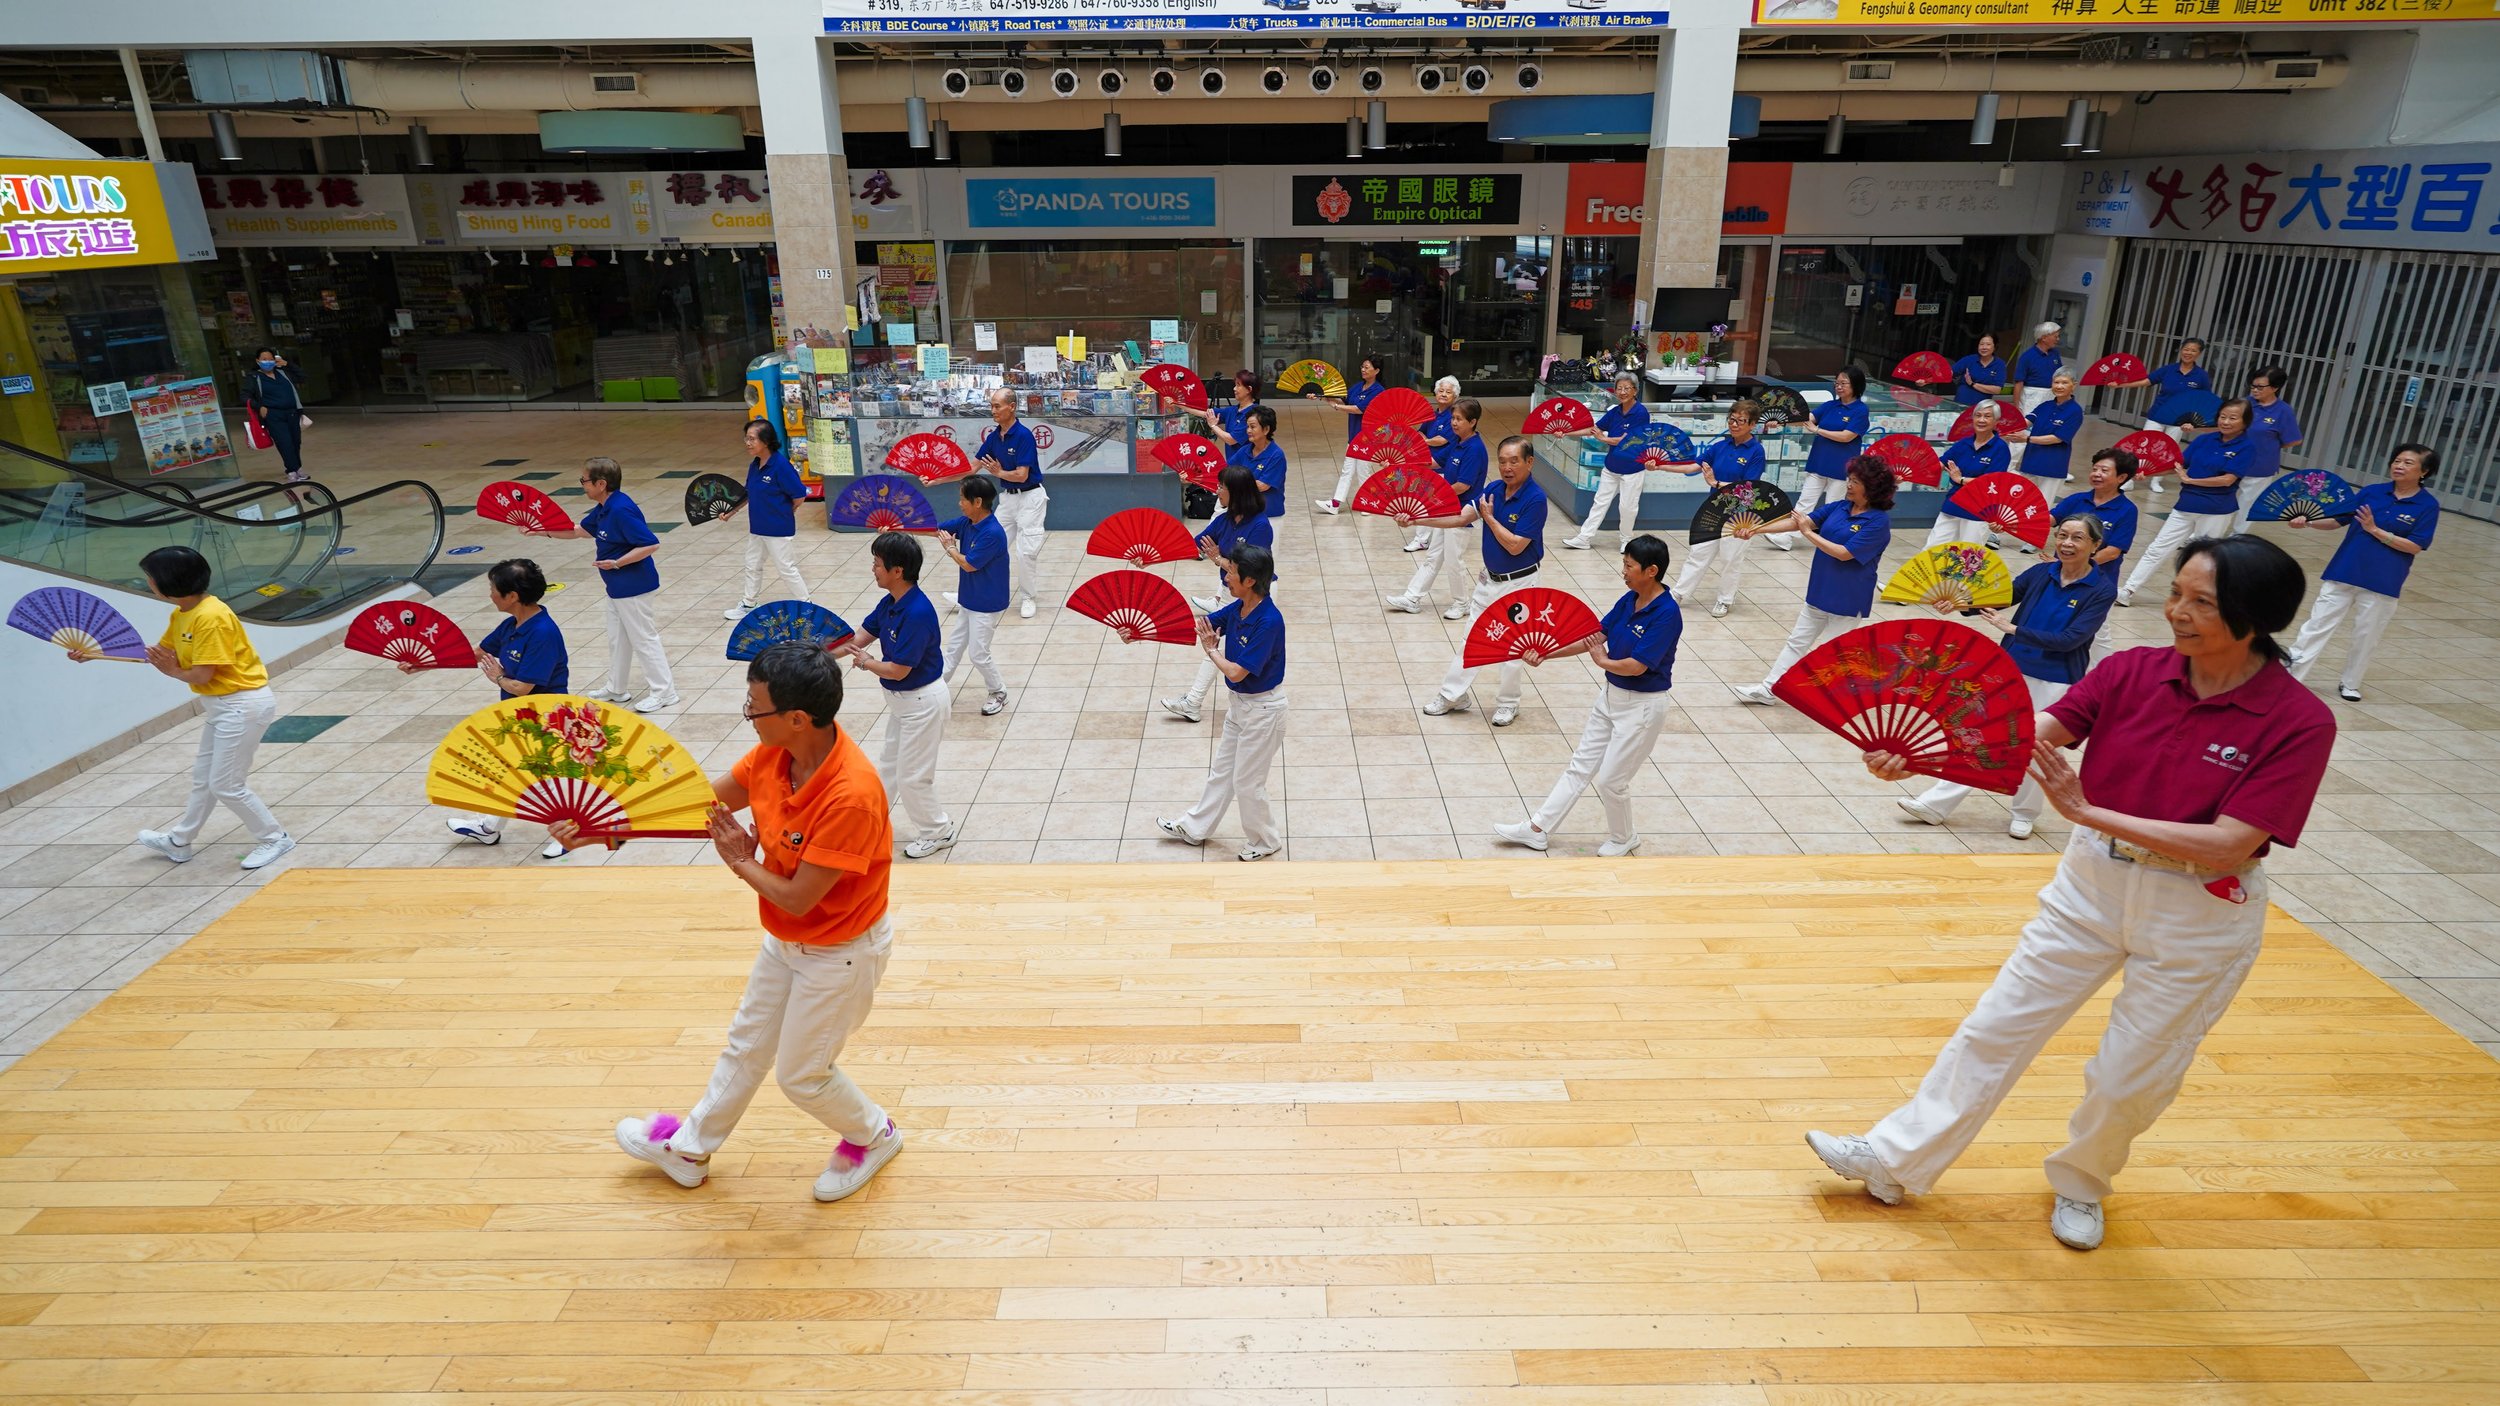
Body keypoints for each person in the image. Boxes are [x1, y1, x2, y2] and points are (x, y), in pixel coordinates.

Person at [1808, 535, 2334, 1252]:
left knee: (2130, 1074)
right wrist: (1925, 754)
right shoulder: (2131, 673)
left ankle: (2082, 1184)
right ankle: (1894, 1159)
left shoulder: (2299, 720)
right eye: (2177, 593)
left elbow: (2229, 843)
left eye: (2201, 603)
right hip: (2091, 885)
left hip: (2200, 910)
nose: (2176, 611)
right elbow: (2022, 736)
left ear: (2257, 617)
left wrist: (2087, 812)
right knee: (1998, 1025)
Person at [605, 641, 904, 1204]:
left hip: (840, 954)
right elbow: (700, 809)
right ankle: (690, 1149)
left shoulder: (851, 797)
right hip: (787, 943)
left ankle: (875, 1134)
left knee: (803, 1075)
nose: (747, 715)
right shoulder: (771, 757)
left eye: (753, 706)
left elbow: (798, 898)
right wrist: (610, 828)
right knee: (745, 1047)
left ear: (796, 718)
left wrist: (741, 860)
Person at [1895, 513, 2117, 839]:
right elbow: (2006, 595)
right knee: (1979, 735)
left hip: (2056, 679)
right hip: (2010, 668)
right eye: (2062, 535)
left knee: (2037, 747)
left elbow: (2073, 639)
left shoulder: (2101, 590)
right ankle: (1935, 805)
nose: (2067, 544)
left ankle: (2025, 813)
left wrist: (2014, 629)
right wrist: (1960, 604)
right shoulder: (2043, 571)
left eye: (2077, 538)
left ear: (2095, 545)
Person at [1493, 533, 1683, 858]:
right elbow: (1594, 636)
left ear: (1651, 571)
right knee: (1580, 767)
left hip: (1642, 708)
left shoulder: (1666, 614)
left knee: (1611, 780)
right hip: (1610, 697)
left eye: (1629, 566)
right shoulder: (1630, 599)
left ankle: (1625, 837)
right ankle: (1537, 830)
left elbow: (1636, 666)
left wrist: (1603, 661)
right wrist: (1546, 652)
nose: (1623, 571)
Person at [121, 545, 294, 871]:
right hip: (221, 706)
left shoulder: (211, 617)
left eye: (150, 577)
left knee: (227, 785)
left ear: (168, 581)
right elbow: (160, 652)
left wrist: (172, 671)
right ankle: (179, 841)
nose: (148, 582)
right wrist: (97, 652)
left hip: (243, 705)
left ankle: (275, 838)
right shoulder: (183, 613)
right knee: (204, 779)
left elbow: (202, 673)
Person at [1156, 541, 1287, 863]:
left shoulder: (1268, 621)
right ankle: (1195, 827)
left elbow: (1237, 672)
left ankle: (1266, 839)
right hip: (1240, 706)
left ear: (1250, 580)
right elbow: (1200, 625)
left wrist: (1212, 650)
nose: (1225, 578)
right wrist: (1147, 633)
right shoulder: (1240, 608)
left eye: (1230, 573)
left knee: (1247, 782)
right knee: (1222, 772)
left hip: (1264, 710)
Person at [1732, 455, 1896, 706]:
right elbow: (1799, 522)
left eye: (1855, 481)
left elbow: (1844, 553)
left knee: (1831, 652)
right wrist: (1756, 529)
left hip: (1848, 598)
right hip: (1821, 588)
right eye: (1849, 479)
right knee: (1797, 641)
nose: (1849, 485)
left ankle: (1832, 700)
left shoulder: (1878, 523)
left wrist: (1808, 534)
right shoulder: (1840, 507)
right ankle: (1769, 688)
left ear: (1872, 487)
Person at [2284, 442, 2440, 702]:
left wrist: (2375, 531)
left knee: (2366, 635)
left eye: (2407, 463)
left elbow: (2414, 546)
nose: (2398, 466)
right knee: (2317, 625)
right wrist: (2308, 522)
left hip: (2383, 580)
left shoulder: (2427, 506)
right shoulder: (2371, 493)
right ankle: (2291, 676)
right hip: (2345, 570)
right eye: (2397, 460)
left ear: (2424, 472)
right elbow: (2337, 520)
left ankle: (2350, 683)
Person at [1411, 434, 1547, 727]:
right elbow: (1460, 518)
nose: (1507, 467)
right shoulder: (1495, 489)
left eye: (1514, 461)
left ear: (1529, 462)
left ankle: (1509, 704)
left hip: (1520, 584)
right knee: (1472, 638)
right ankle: (1453, 696)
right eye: (1502, 461)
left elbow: (1515, 545)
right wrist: (1418, 519)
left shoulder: (1535, 500)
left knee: (1513, 647)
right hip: (1490, 581)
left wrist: (1490, 518)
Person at [839, 532, 956, 860]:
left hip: (923, 703)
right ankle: (873, 823)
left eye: (877, 564)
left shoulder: (917, 612)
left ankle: (938, 831)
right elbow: (858, 638)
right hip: (903, 704)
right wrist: (816, 653)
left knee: (913, 776)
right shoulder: (890, 603)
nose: (873, 570)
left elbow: (898, 670)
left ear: (897, 570)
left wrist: (867, 663)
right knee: (889, 767)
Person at [447, 558, 573, 860]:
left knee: (547, 780)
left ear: (512, 596)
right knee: (513, 773)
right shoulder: (512, 625)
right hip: (519, 717)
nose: (490, 594)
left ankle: (569, 834)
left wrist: (499, 677)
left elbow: (523, 687)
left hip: (545, 718)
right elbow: (477, 652)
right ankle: (489, 827)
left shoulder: (543, 633)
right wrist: (425, 663)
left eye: (493, 589)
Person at [530, 457, 676, 713]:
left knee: (644, 639)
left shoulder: (620, 509)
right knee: (618, 639)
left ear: (601, 483)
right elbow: (580, 531)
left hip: (634, 587)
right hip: (616, 589)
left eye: (584, 481)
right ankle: (617, 688)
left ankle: (665, 693)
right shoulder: (604, 507)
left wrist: (618, 562)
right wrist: (541, 531)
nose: (582, 485)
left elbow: (651, 544)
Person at [1162, 464, 1273, 724]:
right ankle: (1193, 702)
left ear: (1237, 492)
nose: (1217, 490)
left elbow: (1254, 570)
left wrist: (1219, 559)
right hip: (1229, 591)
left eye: (1222, 486)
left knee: (1221, 647)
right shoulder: (1224, 520)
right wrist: (1153, 558)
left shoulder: (1260, 526)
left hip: (1253, 594)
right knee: (1217, 646)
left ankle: (1193, 701)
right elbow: (1193, 545)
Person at [2119, 399, 2253, 607]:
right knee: (2158, 547)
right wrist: (2147, 473)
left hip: (2216, 510)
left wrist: (2191, 480)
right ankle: (2128, 590)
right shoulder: (2203, 441)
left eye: (2233, 418)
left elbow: (2228, 479)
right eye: (2222, 416)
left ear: (2245, 422)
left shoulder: (2247, 447)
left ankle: (2202, 599)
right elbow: (2178, 465)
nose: (2225, 422)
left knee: (2205, 558)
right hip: (2186, 504)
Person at [1383, 397, 1488, 621]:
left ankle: (1462, 603)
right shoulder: (1457, 443)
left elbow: (1463, 485)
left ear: (1473, 422)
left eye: (1459, 419)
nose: (1454, 423)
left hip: (1461, 515)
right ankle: (1412, 597)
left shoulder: (1475, 449)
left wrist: (1432, 497)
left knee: (1453, 560)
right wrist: (1401, 463)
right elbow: (1435, 463)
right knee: (1433, 556)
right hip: (1445, 510)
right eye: (1453, 418)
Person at [1670, 399, 1767, 619]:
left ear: (1752, 424)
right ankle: (1678, 593)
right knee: (1698, 553)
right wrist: (1660, 466)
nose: (1734, 424)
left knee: (1730, 559)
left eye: (1741, 421)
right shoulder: (1720, 445)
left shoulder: (1756, 452)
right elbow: (1694, 466)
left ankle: (1724, 600)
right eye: (1732, 419)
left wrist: (1715, 483)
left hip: (1739, 515)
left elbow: (1748, 490)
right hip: (1714, 509)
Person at [936, 473, 1011, 717]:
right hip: (969, 598)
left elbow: (969, 564)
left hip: (987, 603)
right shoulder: (967, 522)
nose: (959, 503)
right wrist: (897, 528)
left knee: (978, 653)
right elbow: (937, 530)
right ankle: (936, 689)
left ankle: (998, 691)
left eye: (962, 499)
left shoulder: (992, 533)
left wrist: (950, 549)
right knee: (954, 647)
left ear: (977, 502)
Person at [723, 418, 811, 622]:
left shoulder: (781, 466)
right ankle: (748, 603)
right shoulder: (755, 465)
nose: (747, 443)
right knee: (752, 564)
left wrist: (786, 512)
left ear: (766, 441)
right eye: (746, 438)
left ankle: (806, 605)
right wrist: (730, 513)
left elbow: (799, 495)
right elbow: (748, 493)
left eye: (752, 439)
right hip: (758, 527)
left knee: (786, 568)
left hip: (778, 528)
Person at [1773, 367, 1868, 552]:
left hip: (1842, 468)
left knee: (1833, 505)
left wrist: (1818, 431)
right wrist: (1781, 421)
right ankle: (1787, 536)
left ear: (1856, 385)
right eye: (1837, 383)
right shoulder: (1830, 405)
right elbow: (1807, 419)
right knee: (1805, 502)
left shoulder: (1860, 410)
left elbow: (1846, 436)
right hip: (1819, 462)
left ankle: (1831, 541)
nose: (1838, 387)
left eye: (1843, 383)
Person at [975, 387, 1047, 618]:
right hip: (1008, 499)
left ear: (1012, 407)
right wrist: (936, 479)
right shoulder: (994, 437)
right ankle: (977, 593)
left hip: (1031, 498)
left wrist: (998, 472)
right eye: (991, 406)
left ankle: (1028, 598)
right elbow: (971, 468)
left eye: (997, 406)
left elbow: (1022, 475)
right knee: (988, 545)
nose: (993, 411)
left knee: (1025, 553)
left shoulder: (1024, 435)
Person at [1561, 373, 1652, 551]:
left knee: (1627, 507)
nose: (1623, 392)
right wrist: (1566, 432)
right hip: (1612, 467)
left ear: (1635, 391)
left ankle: (1626, 540)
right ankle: (1584, 538)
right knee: (1600, 502)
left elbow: (1627, 440)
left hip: (1632, 469)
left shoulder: (1641, 413)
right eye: (1619, 388)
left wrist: (1604, 439)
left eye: (1627, 388)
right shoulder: (1615, 412)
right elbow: (1594, 429)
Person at [2112, 337, 2213, 497]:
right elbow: (2146, 381)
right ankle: (2130, 478)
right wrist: (2121, 384)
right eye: (2186, 349)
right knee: (2144, 448)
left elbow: (2203, 399)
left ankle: (2156, 480)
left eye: (2193, 350)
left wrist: (2195, 421)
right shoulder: (2168, 369)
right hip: (2157, 415)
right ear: (2181, 350)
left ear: (2199, 354)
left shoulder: (2201, 376)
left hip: (2179, 420)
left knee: (2168, 451)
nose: (2188, 353)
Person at [2051, 448, 2140, 594]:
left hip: (2096, 580)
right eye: (2094, 469)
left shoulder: (2127, 510)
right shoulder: (2077, 499)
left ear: (2121, 477)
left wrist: (2075, 565)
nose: (2097, 474)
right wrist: (2012, 523)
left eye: (2104, 470)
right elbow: (2048, 520)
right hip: (2060, 573)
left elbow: (2112, 552)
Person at [1927, 400, 2013, 548]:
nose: (1981, 420)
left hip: (1980, 510)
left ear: (1996, 421)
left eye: (1987, 416)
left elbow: (1991, 483)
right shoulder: (1963, 443)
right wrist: (1915, 470)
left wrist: (1960, 479)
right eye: (1978, 415)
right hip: (1954, 504)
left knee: (1968, 557)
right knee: (1932, 549)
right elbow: (1941, 463)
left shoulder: (2000, 448)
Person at [2231, 365, 2305, 535]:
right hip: (2232, 461)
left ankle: (2237, 537)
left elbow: (2294, 439)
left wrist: (2268, 446)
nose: (2255, 390)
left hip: (2260, 466)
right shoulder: (2244, 403)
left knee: (2247, 504)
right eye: (2253, 385)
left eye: (2260, 387)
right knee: (2219, 498)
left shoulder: (2283, 411)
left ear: (2275, 388)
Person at [1313, 353, 1386, 514]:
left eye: (1367, 367)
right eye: (1362, 366)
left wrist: (1337, 407)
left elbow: (1358, 409)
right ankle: (1336, 503)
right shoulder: (1357, 386)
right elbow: (1344, 401)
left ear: (1377, 371)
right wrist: (1322, 398)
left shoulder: (1378, 391)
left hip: (1367, 438)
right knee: (1349, 470)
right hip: (1354, 436)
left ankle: (1366, 503)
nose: (1363, 370)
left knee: (1363, 471)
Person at [2017, 372, 2085, 519]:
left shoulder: (2075, 411)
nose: (2059, 386)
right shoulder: (2045, 406)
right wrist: (2006, 426)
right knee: (2018, 500)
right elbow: (2025, 422)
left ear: (2074, 386)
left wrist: (2027, 439)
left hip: (2052, 466)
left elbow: (2057, 438)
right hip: (2031, 461)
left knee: (2042, 506)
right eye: (2056, 382)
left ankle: (2033, 541)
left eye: (2064, 382)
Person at [1406, 376, 1462, 551]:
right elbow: (1420, 433)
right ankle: (1425, 538)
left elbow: (1442, 440)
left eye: (1448, 392)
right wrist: (1426, 440)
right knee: (1425, 501)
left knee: (1431, 502)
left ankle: (1425, 539)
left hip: (1443, 464)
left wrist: (1427, 441)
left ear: (1455, 396)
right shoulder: (1432, 413)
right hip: (1426, 462)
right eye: (1441, 390)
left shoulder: (1454, 416)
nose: (1444, 394)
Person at [241, 347, 309, 484]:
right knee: (284, 442)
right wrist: (258, 407)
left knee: (295, 441)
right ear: (257, 361)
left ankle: (296, 467)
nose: (267, 362)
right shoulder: (254, 377)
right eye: (264, 359)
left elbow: (303, 377)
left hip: (292, 412)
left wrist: (287, 364)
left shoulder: (283, 373)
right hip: (273, 415)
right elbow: (244, 396)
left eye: (270, 359)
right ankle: (292, 470)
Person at [2007, 322, 2064, 476]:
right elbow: (2019, 382)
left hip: (2051, 394)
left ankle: (2044, 466)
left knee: (2048, 430)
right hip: (2032, 395)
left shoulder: (2055, 355)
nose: (2057, 339)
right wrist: (2016, 404)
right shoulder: (2028, 356)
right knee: (2023, 429)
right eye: (2055, 336)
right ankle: (2009, 466)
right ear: (2044, 337)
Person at [1196, 371, 1260, 469]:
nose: (1234, 389)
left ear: (1249, 389)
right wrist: (1179, 404)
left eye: (1238, 385)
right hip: (1232, 467)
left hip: (1245, 470)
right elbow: (1205, 413)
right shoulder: (1233, 410)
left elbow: (1231, 440)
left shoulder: (1253, 414)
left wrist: (1213, 426)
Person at [1242, 405, 1287, 519]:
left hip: (1270, 515)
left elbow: (1263, 486)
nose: (1248, 430)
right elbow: (1227, 470)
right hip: (1247, 512)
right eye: (1247, 426)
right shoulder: (1245, 450)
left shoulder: (1276, 455)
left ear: (1266, 429)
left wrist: (1236, 479)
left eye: (1252, 427)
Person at [1952, 333, 2007, 408]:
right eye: (1981, 344)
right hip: (1960, 404)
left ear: (1994, 347)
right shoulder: (1969, 360)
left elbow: (1997, 390)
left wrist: (1972, 384)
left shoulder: (1999, 364)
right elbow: (1950, 372)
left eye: (1988, 344)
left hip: (1982, 408)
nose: (1984, 347)